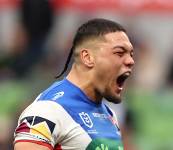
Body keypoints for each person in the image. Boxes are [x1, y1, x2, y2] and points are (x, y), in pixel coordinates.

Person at [14, 18, 134, 150]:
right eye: (119, 53)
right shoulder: (48, 110)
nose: (130, 61)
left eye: (131, 54)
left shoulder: (109, 114)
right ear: (88, 57)